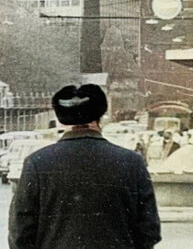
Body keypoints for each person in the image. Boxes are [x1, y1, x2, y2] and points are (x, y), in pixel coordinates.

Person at [9, 84, 161, 249]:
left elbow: (20, 232)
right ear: (99, 118)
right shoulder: (131, 162)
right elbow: (149, 229)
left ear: (61, 120)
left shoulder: (37, 163)